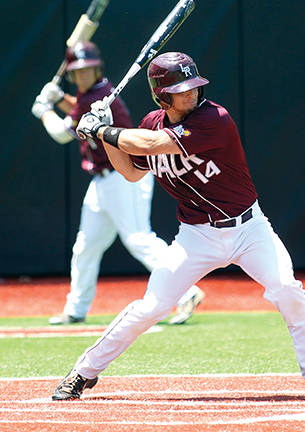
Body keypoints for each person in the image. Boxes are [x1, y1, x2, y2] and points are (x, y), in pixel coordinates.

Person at [52, 52, 305, 400]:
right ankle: (83, 373)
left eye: (193, 85)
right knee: (153, 306)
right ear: (162, 95)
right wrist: (100, 136)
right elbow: (132, 171)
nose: (191, 93)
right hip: (196, 235)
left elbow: (153, 144)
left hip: (248, 229)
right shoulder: (149, 122)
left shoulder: (214, 119)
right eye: (181, 88)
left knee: (287, 288)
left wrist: (103, 128)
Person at [32, 41, 205, 325]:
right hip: (101, 180)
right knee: (86, 246)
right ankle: (76, 308)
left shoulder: (96, 94)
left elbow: (62, 133)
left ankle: (187, 293)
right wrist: (61, 97)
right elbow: (79, 110)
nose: (84, 74)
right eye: (79, 71)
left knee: (139, 240)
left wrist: (44, 110)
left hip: (125, 175)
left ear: (97, 68)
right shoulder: (95, 92)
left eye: (88, 69)